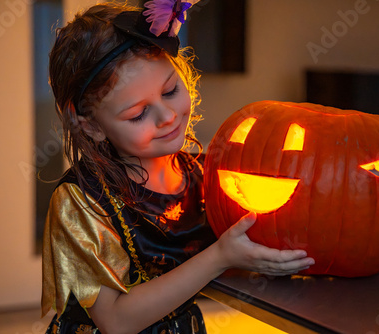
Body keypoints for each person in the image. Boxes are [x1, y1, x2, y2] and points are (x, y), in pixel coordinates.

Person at [42, 1, 315, 333]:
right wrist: (220, 257)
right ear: (92, 127)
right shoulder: (82, 202)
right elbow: (115, 321)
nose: (167, 117)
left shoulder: (203, 175)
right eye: (138, 114)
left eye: (170, 91)